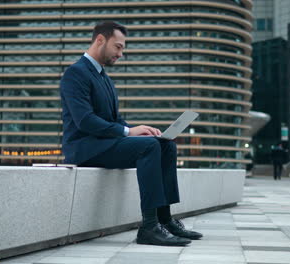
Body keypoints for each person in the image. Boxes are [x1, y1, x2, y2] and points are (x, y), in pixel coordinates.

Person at [60, 21, 202, 246]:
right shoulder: (75, 73)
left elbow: (114, 121)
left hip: (104, 144)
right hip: (84, 147)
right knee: (149, 147)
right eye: (118, 47)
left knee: (165, 145)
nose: (121, 53)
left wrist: (141, 130)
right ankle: (148, 227)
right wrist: (128, 132)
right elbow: (84, 121)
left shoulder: (104, 78)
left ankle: (164, 220)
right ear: (100, 40)